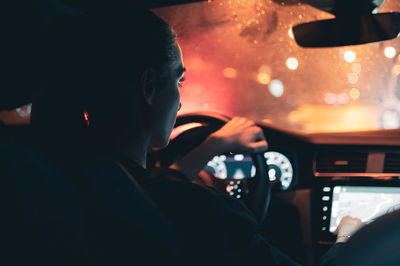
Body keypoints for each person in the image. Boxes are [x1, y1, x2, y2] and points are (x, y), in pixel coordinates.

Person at [32, 7, 363, 266]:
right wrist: (350, 237)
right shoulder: (204, 213)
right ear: (148, 86)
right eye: (178, 81)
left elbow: (142, 189)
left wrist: (211, 149)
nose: (180, 100)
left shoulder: (49, 174)